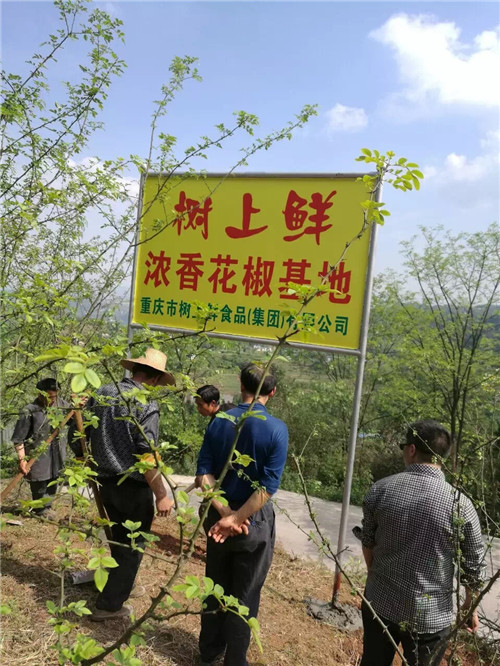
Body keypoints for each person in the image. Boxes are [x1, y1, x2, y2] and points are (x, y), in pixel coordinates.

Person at [360, 419, 486, 666]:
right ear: (444, 458)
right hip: (430, 619)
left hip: (379, 604)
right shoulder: (461, 505)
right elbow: (473, 567)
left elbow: (368, 543)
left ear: (411, 450)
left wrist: (377, 578)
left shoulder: (380, 490)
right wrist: (470, 607)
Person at [196, 363, 288, 666]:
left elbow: (204, 473)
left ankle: (208, 654)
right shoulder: (276, 429)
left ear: (240, 385)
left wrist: (224, 512)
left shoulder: (220, 419)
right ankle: (235, 660)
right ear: (272, 392)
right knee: (245, 594)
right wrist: (237, 518)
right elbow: (267, 487)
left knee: (215, 587)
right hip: (254, 523)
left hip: (217, 522)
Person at [83, 348, 176, 621]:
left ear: (135, 370)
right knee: (132, 546)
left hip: (105, 482)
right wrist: (162, 494)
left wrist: (83, 458)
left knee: (120, 539)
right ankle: (109, 605)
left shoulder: (103, 392)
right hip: (133, 486)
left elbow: (79, 429)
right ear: (156, 378)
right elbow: (146, 455)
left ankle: (121, 584)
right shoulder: (145, 405)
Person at [12, 378, 70, 519]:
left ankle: (47, 507)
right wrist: (22, 460)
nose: (51, 400)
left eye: (53, 396)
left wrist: (79, 405)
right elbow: (18, 439)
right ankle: (40, 510)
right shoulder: (29, 411)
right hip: (37, 456)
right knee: (40, 482)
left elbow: (75, 417)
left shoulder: (62, 405)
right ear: (39, 394)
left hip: (56, 454)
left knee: (53, 480)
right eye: (47, 396)